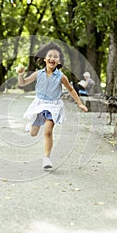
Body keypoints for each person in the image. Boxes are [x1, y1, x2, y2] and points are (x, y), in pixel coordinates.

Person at [17, 42, 88, 171]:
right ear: (45, 59)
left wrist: (80, 104)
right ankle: (32, 124)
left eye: (55, 56)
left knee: (48, 131)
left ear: (59, 61)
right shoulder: (38, 74)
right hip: (39, 105)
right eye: (50, 55)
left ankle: (46, 159)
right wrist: (21, 74)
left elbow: (71, 90)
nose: (52, 58)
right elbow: (22, 83)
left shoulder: (61, 77)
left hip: (53, 107)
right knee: (33, 133)